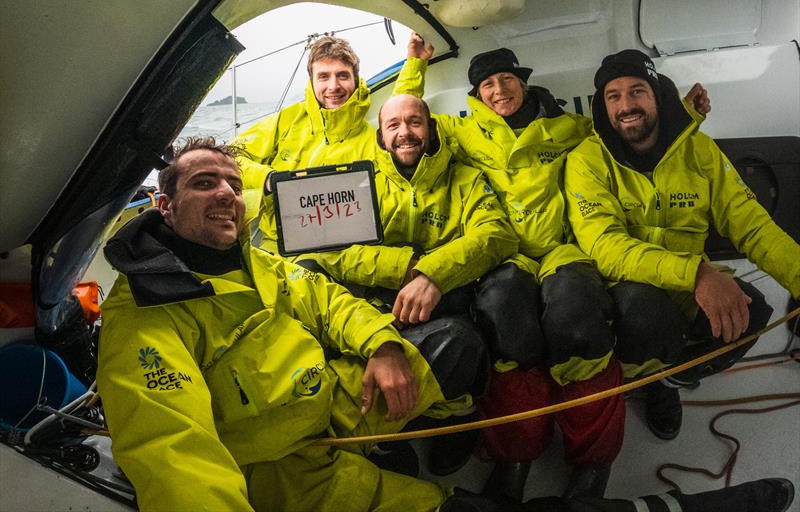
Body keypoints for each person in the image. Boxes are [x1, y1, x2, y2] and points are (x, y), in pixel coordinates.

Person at [96, 136, 795, 512]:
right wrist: (410, 265)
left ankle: (433, 438)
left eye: (228, 182)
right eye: (201, 184)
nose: (224, 194)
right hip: (287, 469)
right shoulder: (147, 314)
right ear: (163, 207)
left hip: (346, 404)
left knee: (468, 339)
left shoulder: (250, 259)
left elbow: (321, 295)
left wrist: (380, 343)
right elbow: (172, 452)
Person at [395, 35, 706, 498]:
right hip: (503, 254)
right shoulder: (461, 131)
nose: (499, 90)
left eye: (507, 80)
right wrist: (413, 64)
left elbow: (628, 132)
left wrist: (687, 115)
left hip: (565, 248)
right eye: (487, 85)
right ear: (477, 95)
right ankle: (516, 452)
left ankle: (593, 459)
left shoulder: (568, 127)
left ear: (522, 83)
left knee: (577, 320)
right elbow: (407, 118)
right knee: (504, 319)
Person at [564, 49, 800, 441]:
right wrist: (696, 274)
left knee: (751, 311)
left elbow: (753, 227)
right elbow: (604, 245)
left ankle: (667, 382)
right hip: (625, 286)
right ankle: (638, 382)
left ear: (658, 95)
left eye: (637, 91)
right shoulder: (587, 161)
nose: (626, 106)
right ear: (602, 107)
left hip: (688, 281)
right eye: (613, 96)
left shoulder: (700, 151)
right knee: (646, 313)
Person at [303, 93, 520, 475]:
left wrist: (433, 275)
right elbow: (326, 251)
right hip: (376, 304)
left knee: (464, 334)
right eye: (394, 125)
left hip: (442, 304)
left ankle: (450, 414)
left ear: (431, 128)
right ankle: (384, 427)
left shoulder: (465, 179)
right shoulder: (357, 183)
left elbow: (497, 234)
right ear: (381, 137)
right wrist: (403, 266)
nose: (405, 132)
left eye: (415, 122)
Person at [231, 35, 419, 250]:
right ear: (312, 81)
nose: (333, 86)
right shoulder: (288, 119)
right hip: (275, 245)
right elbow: (230, 156)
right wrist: (267, 178)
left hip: (346, 251)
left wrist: (415, 63)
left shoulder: (373, 139)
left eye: (342, 75)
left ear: (355, 80)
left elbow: (405, 111)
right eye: (323, 76)